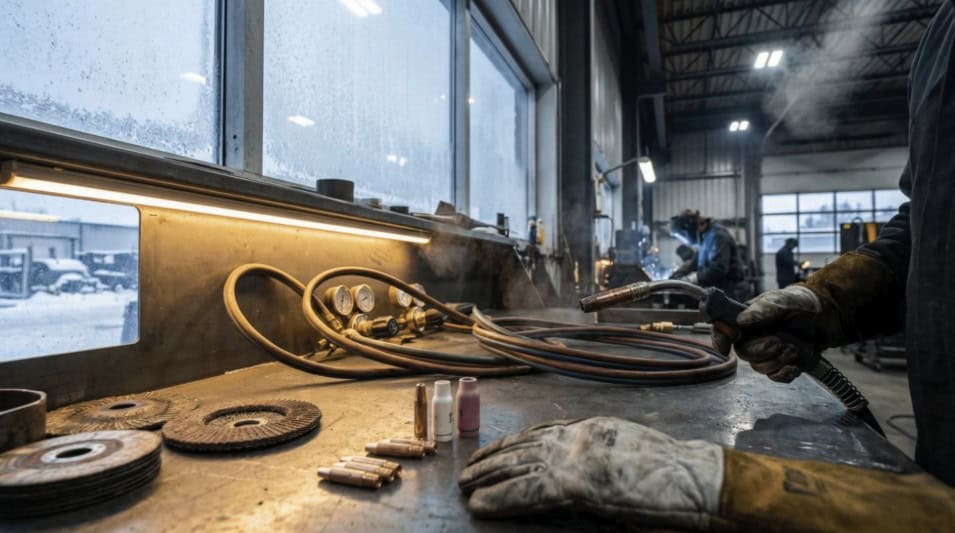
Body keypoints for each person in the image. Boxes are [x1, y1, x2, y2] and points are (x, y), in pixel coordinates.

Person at [669, 209, 744, 298]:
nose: (685, 240)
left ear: (690, 227)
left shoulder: (717, 236)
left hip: (728, 294)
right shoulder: (704, 238)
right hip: (716, 292)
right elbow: (694, 263)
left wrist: (694, 278)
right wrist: (676, 275)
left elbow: (719, 268)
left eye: (683, 235)